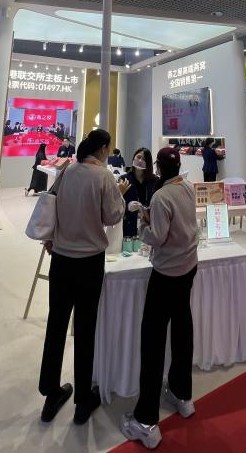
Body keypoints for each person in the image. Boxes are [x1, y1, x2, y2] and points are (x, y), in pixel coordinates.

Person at [39, 129, 130, 426]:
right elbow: (112, 216)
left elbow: (52, 204)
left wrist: (51, 237)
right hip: (89, 261)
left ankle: (50, 393)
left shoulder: (68, 170)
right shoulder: (103, 176)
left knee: (56, 324)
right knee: (85, 327)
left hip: (61, 259)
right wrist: (120, 195)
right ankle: (82, 401)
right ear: (103, 149)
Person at [121, 146, 199, 449]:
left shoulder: (161, 196)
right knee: (182, 329)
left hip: (166, 274)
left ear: (158, 167)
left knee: (152, 342)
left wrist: (143, 223)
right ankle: (182, 395)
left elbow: (157, 236)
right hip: (188, 268)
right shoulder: (188, 186)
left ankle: (146, 420)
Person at [121, 148, 157, 237]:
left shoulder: (155, 181)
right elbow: (116, 203)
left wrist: (145, 209)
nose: (140, 160)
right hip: (129, 225)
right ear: (134, 157)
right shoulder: (124, 179)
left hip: (149, 224)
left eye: (144, 159)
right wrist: (127, 207)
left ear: (148, 163)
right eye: (138, 157)